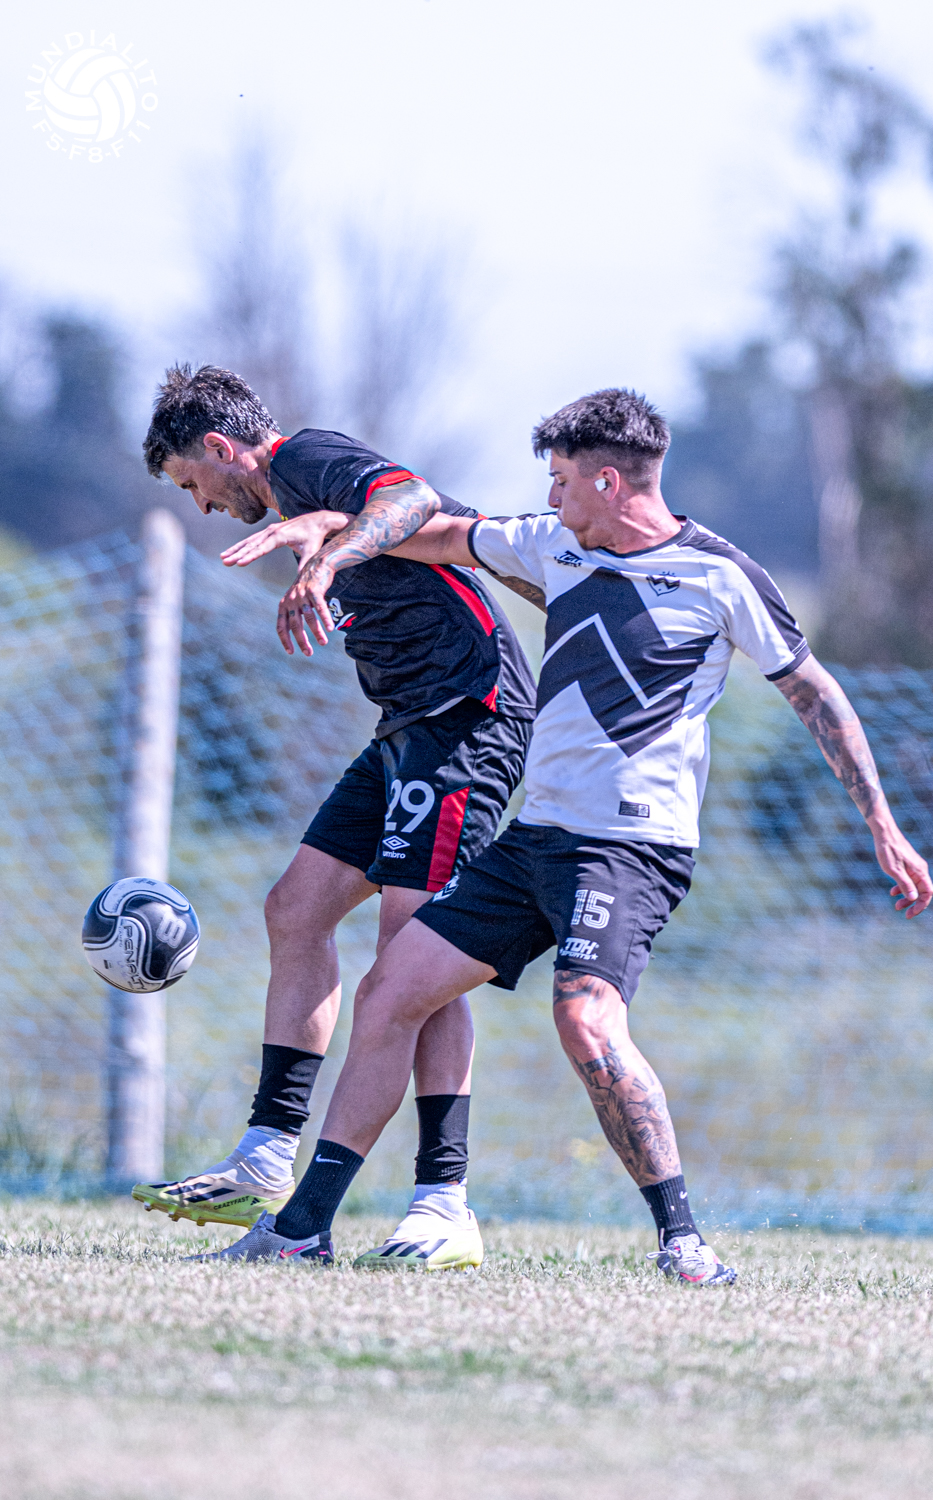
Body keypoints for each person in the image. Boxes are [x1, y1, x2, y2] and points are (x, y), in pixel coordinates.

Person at [195, 386, 933, 1283]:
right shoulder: (555, 545)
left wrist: (882, 824)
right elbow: (431, 526)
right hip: (534, 840)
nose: (549, 497)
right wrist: (329, 529)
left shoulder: (721, 576)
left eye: (561, 481)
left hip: (629, 851)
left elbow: (815, 692)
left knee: (584, 1019)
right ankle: (304, 1227)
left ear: (609, 482)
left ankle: (683, 1241)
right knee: (390, 992)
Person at [133, 364, 537, 1270]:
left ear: (222, 448)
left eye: (194, 483)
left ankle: (443, 1203)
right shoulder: (301, 497)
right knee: (296, 909)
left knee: (415, 958)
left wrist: (325, 556)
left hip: (468, 716)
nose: (202, 506)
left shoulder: (305, 456)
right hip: (406, 728)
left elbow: (413, 497)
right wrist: (319, 535)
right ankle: (265, 1155)